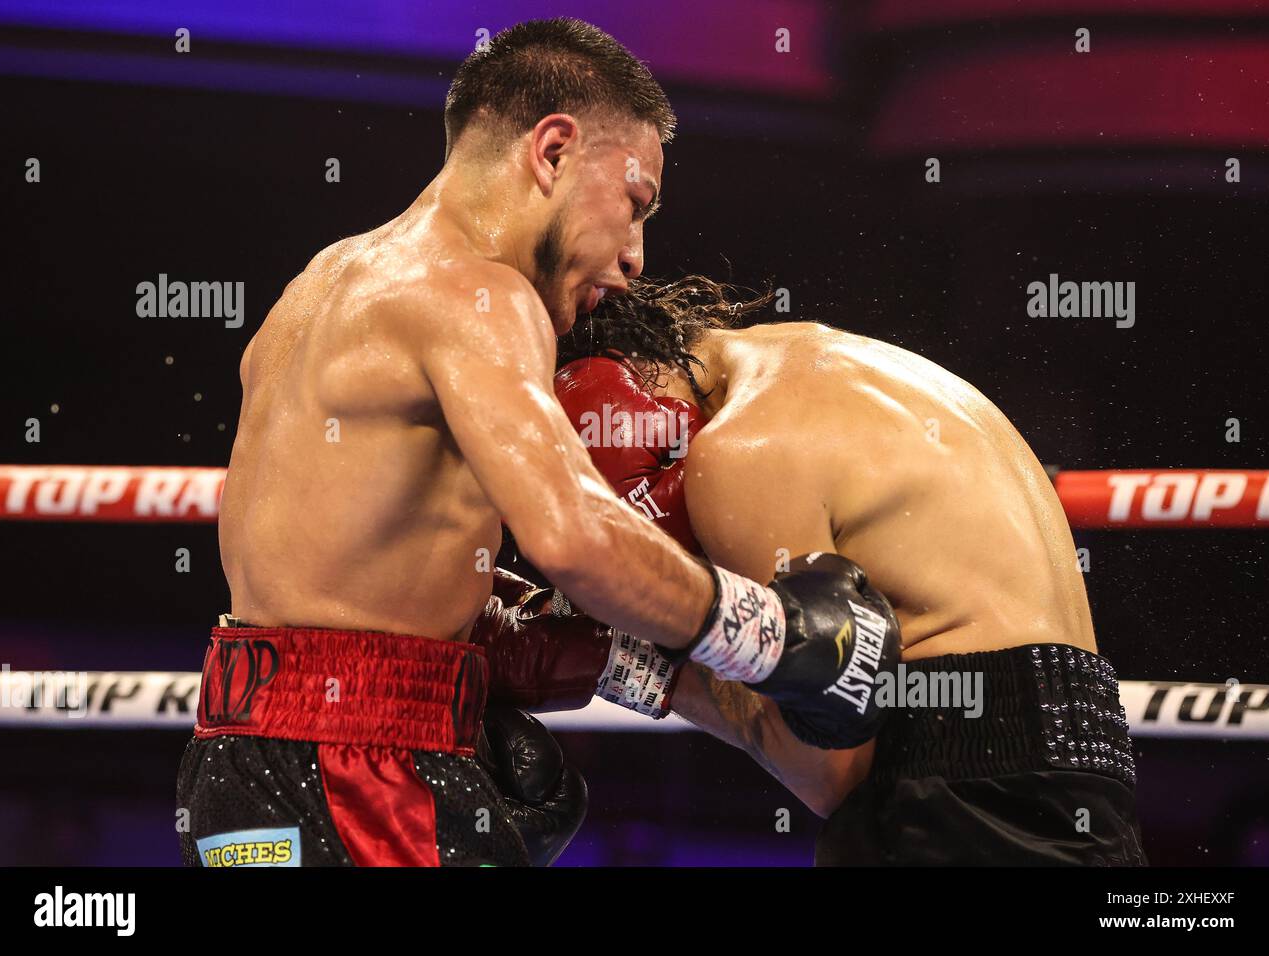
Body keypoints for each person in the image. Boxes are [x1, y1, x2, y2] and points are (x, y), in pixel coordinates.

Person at [177, 21, 894, 868]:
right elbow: (574, 537)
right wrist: (774, 635)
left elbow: (346, 568)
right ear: (552, 151)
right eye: (634, 205)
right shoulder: (480, 294)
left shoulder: (320, 284)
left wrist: (601, 651)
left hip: (235, 761)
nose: (634, 256)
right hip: (361, 770)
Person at [500, 275, 1146, 865]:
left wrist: (623, 662)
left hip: (949, 799)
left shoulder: (742, 451)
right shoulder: (876, 369)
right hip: (1079, 772)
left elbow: (826, 770)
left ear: (616, 380)